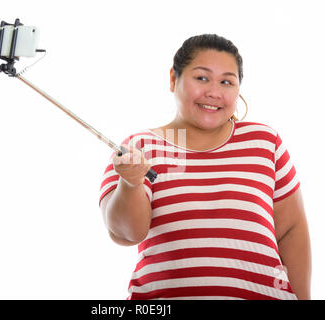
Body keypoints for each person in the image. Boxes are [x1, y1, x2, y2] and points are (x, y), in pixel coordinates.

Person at [99, 34, 311, 300]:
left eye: (226, 81)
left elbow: (291, 230)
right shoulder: (141, 146)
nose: (214, 91)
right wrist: (131, 183)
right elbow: (125, 233)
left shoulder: (263, 141)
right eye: (201, 78)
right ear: (173, 79)